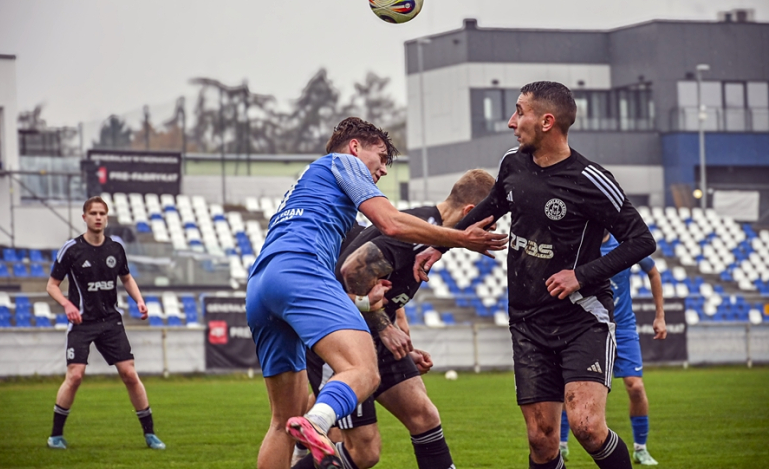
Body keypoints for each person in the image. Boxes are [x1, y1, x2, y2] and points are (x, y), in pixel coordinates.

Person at [414, 81, 656, 469]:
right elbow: (491, 207)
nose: (512, 122)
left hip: (582, 317)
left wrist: (580, 275)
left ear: (546, 121)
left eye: (519, 112)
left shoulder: (591, 179)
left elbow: (642, 240)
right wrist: (441, 245)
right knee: (542, 441)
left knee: (587, 427)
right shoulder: (513, 163)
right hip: (527, 321)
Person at [245, 117, 507, 469]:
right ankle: (317, 422)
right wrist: (461, 239)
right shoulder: (345, 163)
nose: (383, 169)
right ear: (355, 148)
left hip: (261, 282)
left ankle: (309, 422)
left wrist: (377, 314)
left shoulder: (312, 184)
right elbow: (391, 223)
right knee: (364, 372)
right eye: (381, 158)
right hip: (300, 271)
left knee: (281, 423)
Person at [292, 169, 496, 469]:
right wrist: (386, 329)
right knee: (364, 453)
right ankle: (302, 448)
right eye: (489, 223)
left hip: (371, 335)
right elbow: (352, 271)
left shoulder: (428, 231)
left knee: (424, 416)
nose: (490, 232)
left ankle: (304, 442)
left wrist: (398, 342)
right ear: (470, 212)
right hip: (342, 337)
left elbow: (381, 291)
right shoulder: (418, 231)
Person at [46, 196, 165, 450]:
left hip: (110, 320)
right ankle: (55, 436)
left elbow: (127, 278)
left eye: (102, 213)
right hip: (82, 322)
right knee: (75, 376)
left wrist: (139, 300)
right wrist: (67, 305)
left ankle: (150, 434)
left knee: (129, 374)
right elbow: (52, 286)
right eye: (93, 213)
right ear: (84, 217)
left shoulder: (116, 248)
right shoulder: (72, 249)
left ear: (107, 217)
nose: (98, 217)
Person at [560, 232, 666, 465]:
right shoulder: (579, 242)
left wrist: (660, 316)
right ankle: (562, 444)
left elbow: (653, 272)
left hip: (623, 327)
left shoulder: (626, 244)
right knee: (572, 388)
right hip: (588, 326)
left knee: (635, 386)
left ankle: (640, 448)